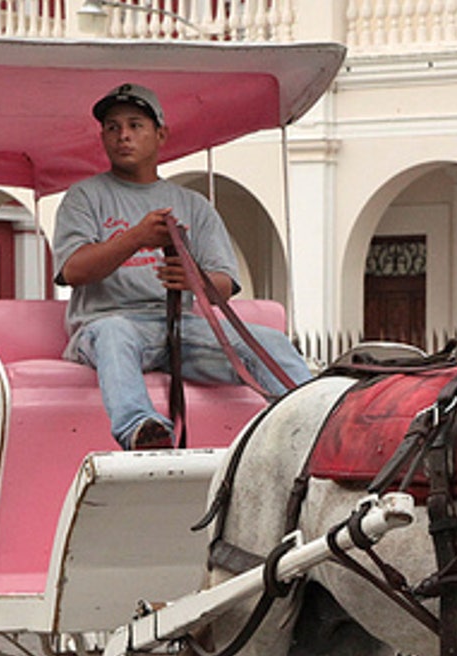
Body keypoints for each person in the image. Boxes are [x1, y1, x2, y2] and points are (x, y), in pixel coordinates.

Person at [53, 83, 312, 449]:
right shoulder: (84, 197)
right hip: (106, 325)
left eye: (135, 125)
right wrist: (136, 237)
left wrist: (194, 280)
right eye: (112, 127)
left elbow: (222, 284)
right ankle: (141, 429)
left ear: (161, 134)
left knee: (269, 341)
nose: (123, 135)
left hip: (181, 329)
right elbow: (73, 270)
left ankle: (319, 420)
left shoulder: (192, 205)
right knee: (114, 332)